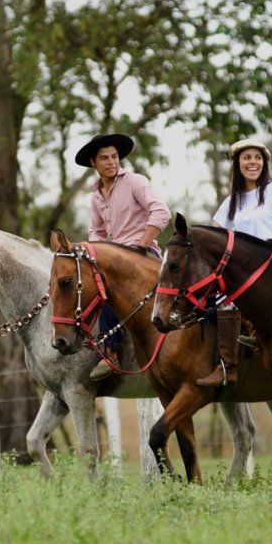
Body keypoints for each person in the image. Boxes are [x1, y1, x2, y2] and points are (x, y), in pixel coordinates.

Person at [197, 138, 272, 388]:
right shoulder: (230, 203)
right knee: (213, 300)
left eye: (257, 157)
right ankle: (227, 367)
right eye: (247, 157)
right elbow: (214, 239)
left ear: (264, 163)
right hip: (241, 277)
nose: (253, 162)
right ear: (238, 164)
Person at [76, 133, 171, 379]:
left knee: (108, 287)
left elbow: (161, 212)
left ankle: (110, 351)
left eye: (115, 157)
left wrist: (141, 244)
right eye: (104, 158)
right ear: (93, 163)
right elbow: (95, 231)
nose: (111, 162)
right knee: (84, 289)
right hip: (115, 258)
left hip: (143, 253)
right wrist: (97, 255)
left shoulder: (134, 181)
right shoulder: (96, 195)